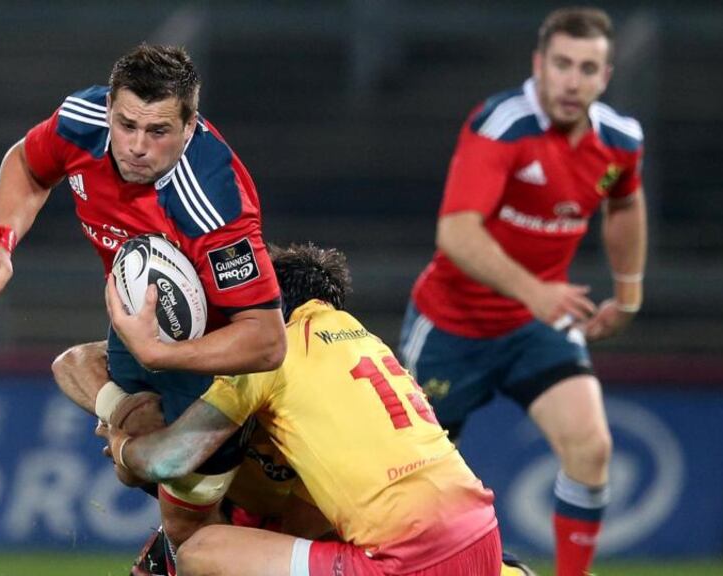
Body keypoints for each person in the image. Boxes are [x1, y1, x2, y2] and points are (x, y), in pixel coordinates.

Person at [0, 43, 287, 548]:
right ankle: (148, 448)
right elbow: (28, 164)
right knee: (110, 419)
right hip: (139, 325)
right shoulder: (81, 121)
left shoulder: (213, 203)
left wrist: (162, 353)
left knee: (195, 529)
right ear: (109, 110)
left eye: (158, 131)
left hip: (209, 357)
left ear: (188, 128)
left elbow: (267, 341)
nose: (137, 145)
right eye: (127, 125)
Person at [399, 8, 647, 576]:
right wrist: (534, 290)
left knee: (592, 448)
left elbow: (626, 201)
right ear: (538, 65)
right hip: (452, 327)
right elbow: (456, 232)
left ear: (606, 76)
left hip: (536, 326)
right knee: (410, 479)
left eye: (587, 68)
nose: (572, 80)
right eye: (561, 64)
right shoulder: (502, 124)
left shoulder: (620, 142)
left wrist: (628, 294)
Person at [103, 244, 503, 576]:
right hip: (484, 536)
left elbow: (169, 460)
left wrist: (122, 443)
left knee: (200, 551)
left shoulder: (269, 355)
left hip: (407, 560)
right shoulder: (369, 344)